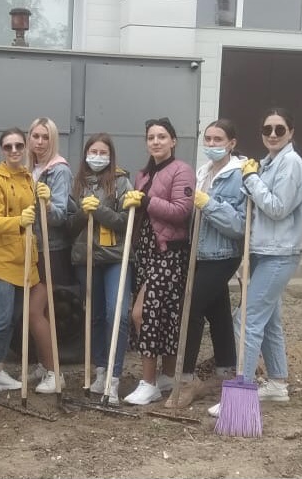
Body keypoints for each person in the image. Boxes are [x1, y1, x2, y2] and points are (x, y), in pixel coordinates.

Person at [209, 107, 302, 417]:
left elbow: (277, 208)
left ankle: (242, 387)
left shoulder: (291, 163)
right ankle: (277, 383)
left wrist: (251, 178)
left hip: (280, 253)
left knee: (246, 320)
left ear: (291, 132)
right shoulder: (268, 163)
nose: (273, 134)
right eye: (267, 129)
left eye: (280, 129)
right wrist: (253, 174)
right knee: (268, 320)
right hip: (263, 251)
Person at [164, 119, 246, 408]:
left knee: (191, 307)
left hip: (223, 254)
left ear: (232, 143)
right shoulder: (203, 171)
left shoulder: (239, 176)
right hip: (200, 252)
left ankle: (186, 379)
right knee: (218, 310)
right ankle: (225, 370)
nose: (211, 144)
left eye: (218, 139)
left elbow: (239, 225)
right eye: (208, 139)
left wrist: (208, 204)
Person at [0, 128, 57, 406]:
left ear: (24, 148)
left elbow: (36, 216)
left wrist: (45, 202)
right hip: (2, 261)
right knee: (0, 320)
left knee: (12, 318)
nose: (14, 151)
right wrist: (18, 222)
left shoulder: (28, 178)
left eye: (19, 146)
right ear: (2, 150)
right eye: (8, 146)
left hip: (25, 259)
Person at [123, 117, 196, 406]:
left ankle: (149, 383)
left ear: (173, 141)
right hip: (147, 253)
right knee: (162, 314)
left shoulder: (182, 170)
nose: (156, 141)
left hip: (169, 254)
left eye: (162, 136)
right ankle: (166, 376)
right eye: (151, 137)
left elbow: (181, 210)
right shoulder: (143, 175)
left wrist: (145, 201)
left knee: (144, 313)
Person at [68, 133, 133, 405]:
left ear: (110, 156)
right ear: (85, 154)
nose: (97, 156)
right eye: (93, 151)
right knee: (94, 317)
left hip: (115, 257)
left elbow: (125, 222)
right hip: (86, 258)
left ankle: (114, 379)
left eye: (103, 152)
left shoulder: (121, 181)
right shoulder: (77, 183)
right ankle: (100, 371)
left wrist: (100, 212)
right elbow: (69, 225)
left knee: (116, 315)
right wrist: (83, 212)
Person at [26, 117, 74, 390]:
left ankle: (56, 375)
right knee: (37, 311)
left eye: (46, 137)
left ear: (53, 140)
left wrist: (45, 204)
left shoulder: (59, 170)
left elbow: (59, 215)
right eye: (36, 136)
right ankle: (44, 365)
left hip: (51, 249)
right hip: (32, 247)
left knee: (34, 311)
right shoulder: (30, 168)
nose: (40, 142)